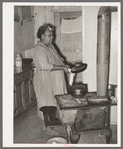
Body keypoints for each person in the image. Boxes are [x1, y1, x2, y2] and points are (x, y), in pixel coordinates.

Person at [32, 23, 69, 133]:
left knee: (55, 101)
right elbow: (45, 66)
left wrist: (66, 65)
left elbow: (59, 58)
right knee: (46, 103)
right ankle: (46, 127)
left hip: (54, 78)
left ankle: (56, 122)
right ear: (42, 36)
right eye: (49, 35)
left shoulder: (50, 46)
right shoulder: (39, 49)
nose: (52, 37)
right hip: (44, 79)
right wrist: (62, 67)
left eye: (52, 35)